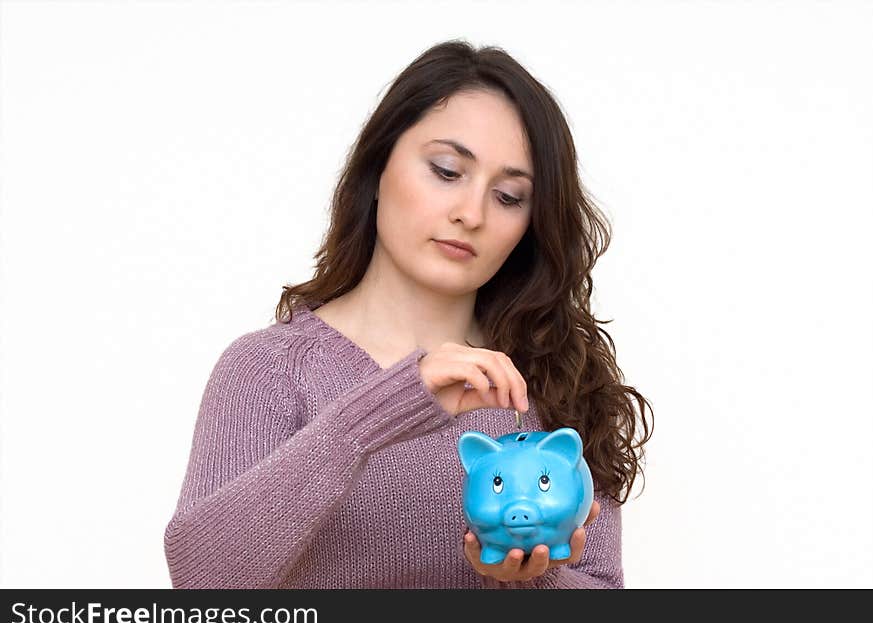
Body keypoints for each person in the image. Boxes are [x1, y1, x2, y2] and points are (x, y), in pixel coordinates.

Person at [163, 39, 653, 589]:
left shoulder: (559, 383)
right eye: (446, 171)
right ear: (377, 169)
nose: (470, 213)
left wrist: (525, 581)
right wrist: (382, 410)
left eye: (510, 197)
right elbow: (201, 586)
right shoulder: (269, 370)